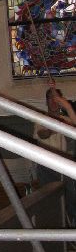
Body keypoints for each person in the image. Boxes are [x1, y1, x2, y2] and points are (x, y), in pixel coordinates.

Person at [33, 86, 76, 227]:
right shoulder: (41, 118)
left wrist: (67, 108)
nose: (53, 102)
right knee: (49, 198)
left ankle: (72, 225)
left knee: (71, 195)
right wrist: (56, 127)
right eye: (50, 99)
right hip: (46, 165)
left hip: (64, 164)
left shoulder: (66, 119)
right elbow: (42, 134)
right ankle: (53, 228)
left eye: (56, 99)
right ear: (46, 102)